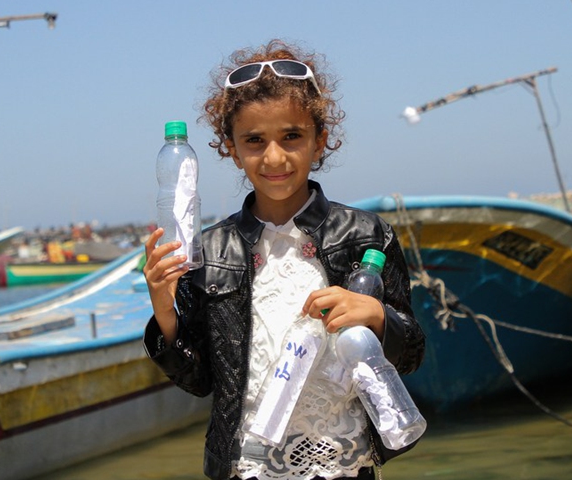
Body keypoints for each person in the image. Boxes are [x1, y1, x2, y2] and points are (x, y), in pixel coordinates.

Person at [142, 39, 425, 480]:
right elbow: (199, 382)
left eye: (291, 136)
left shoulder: (367, 234)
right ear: (232, 150)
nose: (274, 157)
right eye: (254, 141)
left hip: (347, 465)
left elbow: (411, 355)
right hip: (248, 468)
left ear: (319, 141)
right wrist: (164, 312)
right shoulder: (210, 251)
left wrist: (377, 317)